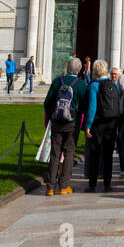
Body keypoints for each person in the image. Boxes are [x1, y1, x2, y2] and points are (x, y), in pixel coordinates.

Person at [43, 59, 88, 195]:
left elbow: (47, 102)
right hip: (72, 123)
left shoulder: (57, 81)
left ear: (67, 67)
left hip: (57, 122)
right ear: (79, 70)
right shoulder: (81, 84)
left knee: (55, 153)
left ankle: (50, 187)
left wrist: (51, 116)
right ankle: (64, 186)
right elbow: (85, 105)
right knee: (69, 153)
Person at [83, 60, 122, 192]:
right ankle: (107, 184)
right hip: (111, 123)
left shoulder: (94, 85)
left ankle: (92, 184)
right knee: (108, 154)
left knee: (95, 153)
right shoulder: (114, 85)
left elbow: (92, 107)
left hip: (98, 123)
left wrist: (88, 125)